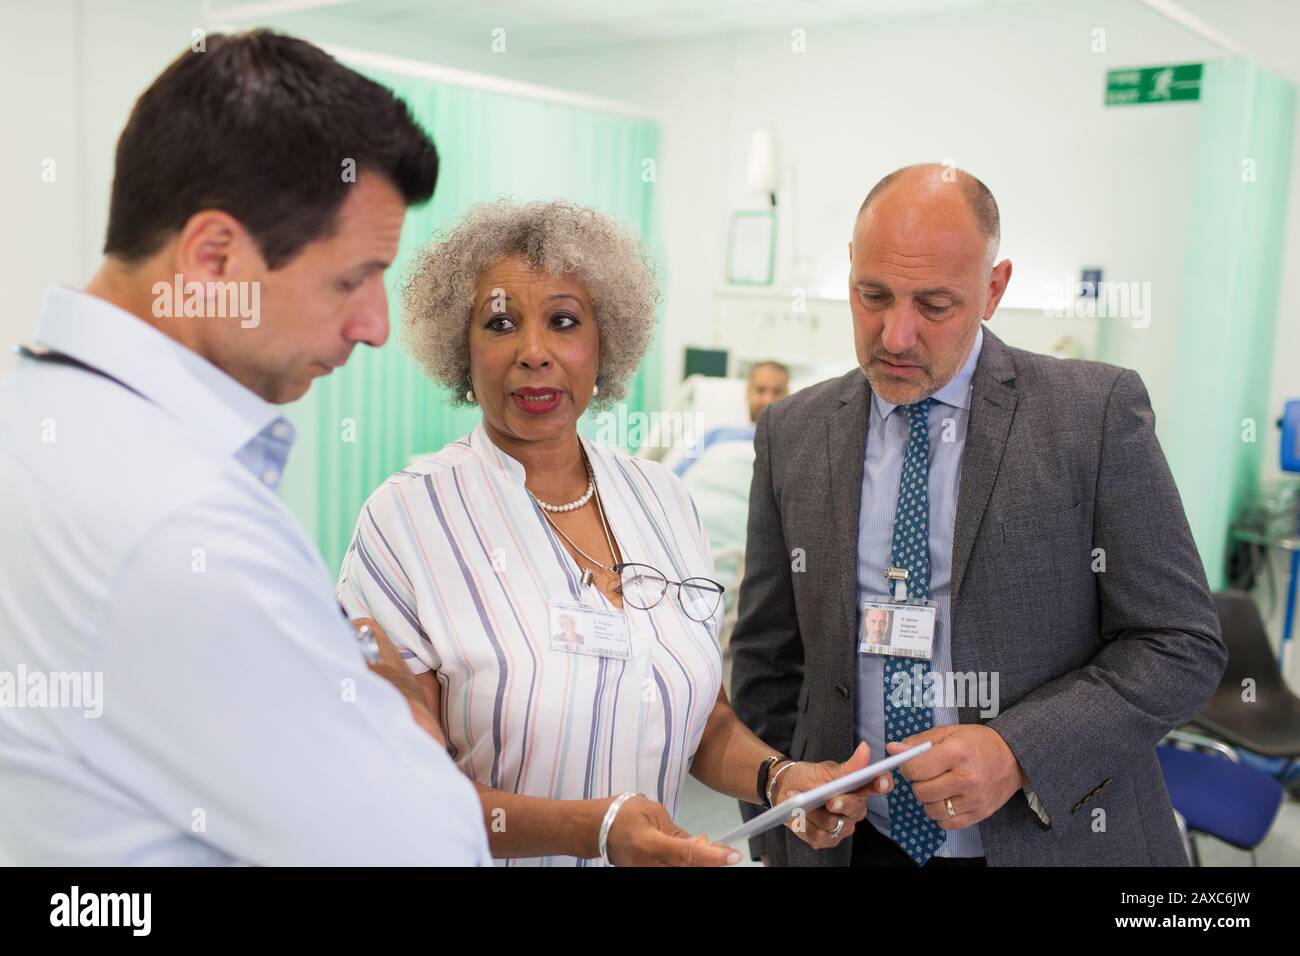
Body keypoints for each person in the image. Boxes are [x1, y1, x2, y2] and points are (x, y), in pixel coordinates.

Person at [0, 30, 488, 865]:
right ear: (213, 257)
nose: (376, 328)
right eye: (351, 279)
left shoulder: (32, 413)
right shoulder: (183, 528)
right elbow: (434, 852)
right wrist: (385, 688)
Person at [337, 199, 890, 867]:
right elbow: (409, 790)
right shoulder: (406, 523)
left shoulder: (662, 501)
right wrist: (591, 831)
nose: (533, 353)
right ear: (462, 343)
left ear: (606, 341)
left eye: (564, 322)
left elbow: (704, 722)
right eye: (501, 323)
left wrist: (780, 778)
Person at [729, 163, 1227, 867]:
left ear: (994, 290)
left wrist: (1019, 751)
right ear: (849, 270)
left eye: (934, 305)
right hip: (852, 844)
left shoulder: (1092, 416)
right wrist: (780, 814)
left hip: (1047, 838)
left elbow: (1180, 643)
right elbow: (765, 660)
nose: (895, 335)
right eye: (873, 295)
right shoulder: (793, 433)